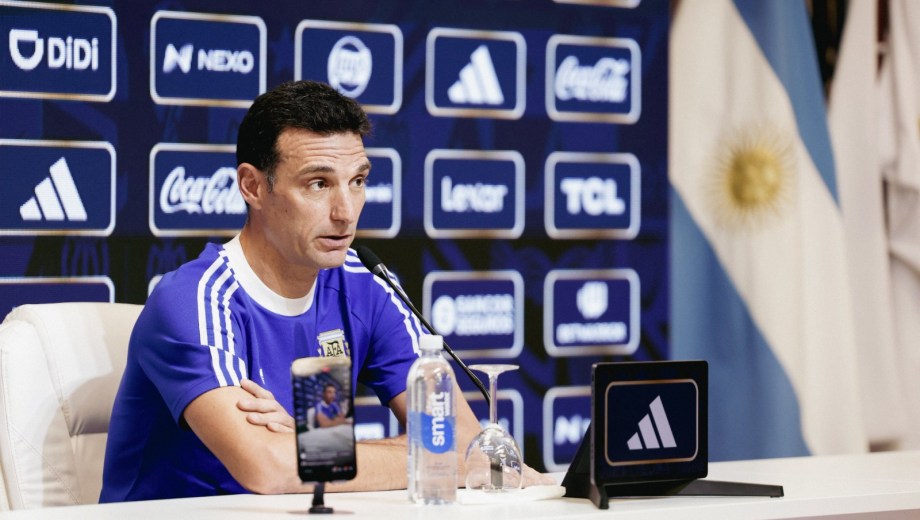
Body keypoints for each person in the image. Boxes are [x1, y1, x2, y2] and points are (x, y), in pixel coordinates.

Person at [100, 80, 552, 502]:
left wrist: (308, 447)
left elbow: (460, 441)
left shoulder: (364, 282)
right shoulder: (196, 299)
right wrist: (420, 454)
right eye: (318, 184)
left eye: (357, 181)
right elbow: (268, 467)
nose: (345, 213)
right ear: (252, 186)